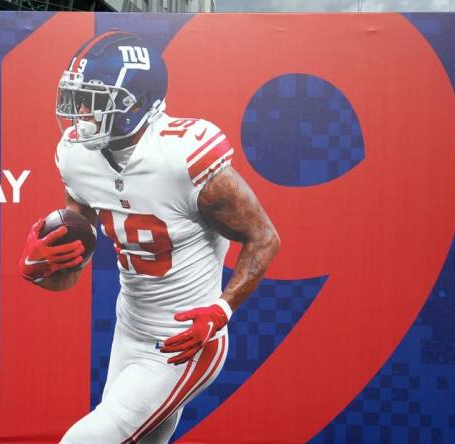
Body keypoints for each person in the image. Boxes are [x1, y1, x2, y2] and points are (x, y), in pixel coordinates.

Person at [18, 31, 280, 443]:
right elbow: (71, 268)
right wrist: (41, 266)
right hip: (130, 330)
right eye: (78, 96)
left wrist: (220, 311)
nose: (81, 111)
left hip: (185, 343)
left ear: (133, 102)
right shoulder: (76, 154)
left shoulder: (183, 157)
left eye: (95, 99)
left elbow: (265, 237)